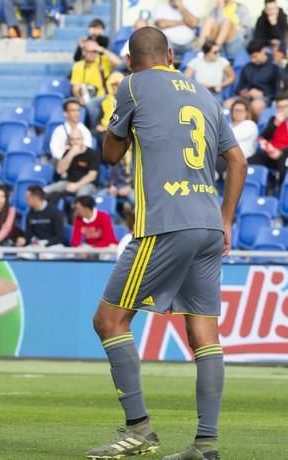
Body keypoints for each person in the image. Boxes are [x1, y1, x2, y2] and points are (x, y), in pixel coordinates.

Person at [86, 27, 247, 460]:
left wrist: (116, 118)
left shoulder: (131, 86)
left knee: (109, 321)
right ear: (171, 55)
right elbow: (237, 160)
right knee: (203, 334)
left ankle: (139, 430)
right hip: (210, 226)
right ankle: (206, 444)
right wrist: (227, 219)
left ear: (132, 59)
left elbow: (111, 154)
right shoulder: (204, 92)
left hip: (165, 224)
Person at [45, 127, 99, 200]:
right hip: (68, 182)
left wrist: (76, 185)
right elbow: (60, 170)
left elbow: (92, 176)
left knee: (81, 197)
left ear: (82, 139)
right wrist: (71, 154)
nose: (75, 142)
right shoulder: (68, 153)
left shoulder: (92, 153)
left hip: (87, 184)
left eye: (78, 139)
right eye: (72, 139)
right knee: (45, 191)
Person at [235, 39, 280, 121]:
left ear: (263, 51)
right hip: (246, 97)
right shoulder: (246, 67)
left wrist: (262, 94)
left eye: (255, 56)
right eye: (251, 57)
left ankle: (254, 129)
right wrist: (243, 92)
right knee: (227, 104)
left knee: (255, 106)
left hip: (265, 98)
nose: (253, 60)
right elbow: (239, 88)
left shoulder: (274, 68)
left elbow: (277, 91)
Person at [248, 92, 288, 183]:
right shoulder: (274, 119)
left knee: (284, 163)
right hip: (272, 153)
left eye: (284, 107)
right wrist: (275, 124)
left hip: (285, 154)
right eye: (279, 107)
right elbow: (264, 137)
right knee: (249, 162)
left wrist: (281, 152)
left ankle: (280, 192)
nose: (281, 110)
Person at [70, 38, 119, 106]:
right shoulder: (78, 66)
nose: (93, 54)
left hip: (107, 97)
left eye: (95, 51)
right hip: (90, 99)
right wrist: (80, 100)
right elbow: (76, 88)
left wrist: (102, 50)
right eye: (90, 51)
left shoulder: (103, 59)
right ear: (84, 52)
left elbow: (119, 64)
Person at [16, 185, 65, 250]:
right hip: (36, 245)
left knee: (45, 256)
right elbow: (29, 234)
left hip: (53, 245)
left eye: (27, 198)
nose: (25, 201)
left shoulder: (55, 212)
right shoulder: (29, 214)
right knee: (22, 255)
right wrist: (25, 240)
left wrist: (46, 243)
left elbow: (59, 237)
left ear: (35, 198)